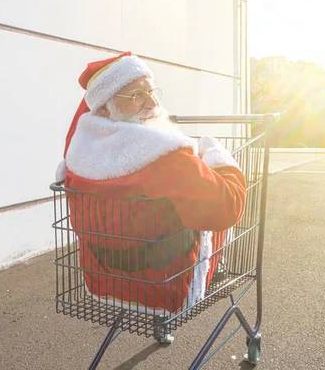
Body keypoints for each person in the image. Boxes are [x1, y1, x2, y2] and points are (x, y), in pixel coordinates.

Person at [55, 52, 247, 315]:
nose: (152, 102)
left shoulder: (79, 155)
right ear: (103, 107)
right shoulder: (165, 156)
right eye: (136, 96)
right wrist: (221, 161)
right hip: (166, 289)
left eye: (152, 91)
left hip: (104, 282)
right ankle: (216, 266)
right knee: (210, 208)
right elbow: (228, 207)